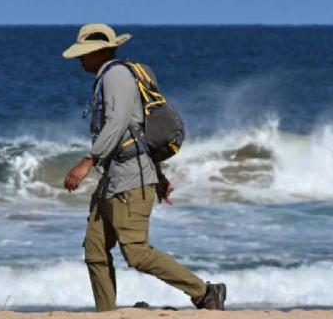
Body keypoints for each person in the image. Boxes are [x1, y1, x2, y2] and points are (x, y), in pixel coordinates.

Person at [61, 23, 226, 312]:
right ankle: (106, 313)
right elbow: (139, 132)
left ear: (100, 52)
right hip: (114, 180)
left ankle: (205, 293)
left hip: (129, 180)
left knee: (136, 253)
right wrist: (158, 175)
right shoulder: (109, 77)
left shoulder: (116, 76)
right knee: (95, 250)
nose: (80, 60)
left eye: (84, 54)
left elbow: (117, 124)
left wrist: (88, 161)